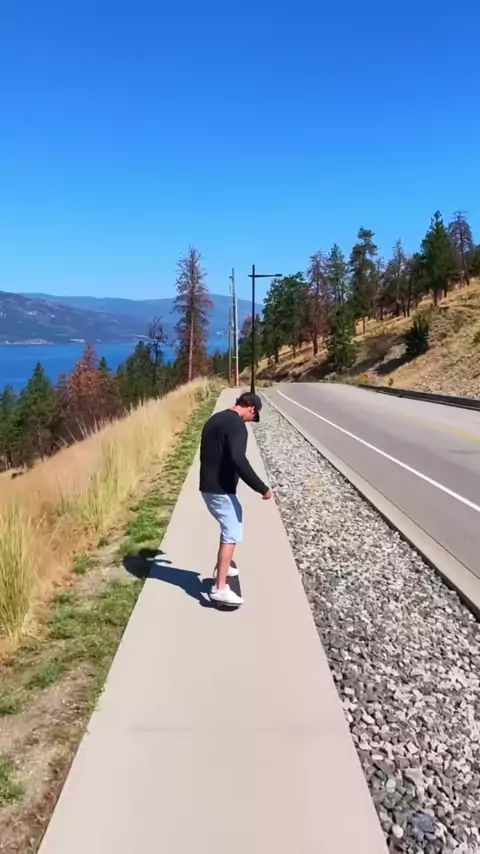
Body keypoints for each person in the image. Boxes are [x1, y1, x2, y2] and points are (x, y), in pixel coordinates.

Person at [199, 391, 273, 606]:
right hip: (219, 489)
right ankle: (220, 588)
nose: (251, 421)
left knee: (234, 519)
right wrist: (262, 488)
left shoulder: (217, 418)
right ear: (251, 408)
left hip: (210, 485)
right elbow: (239, 459)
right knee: (231, 531)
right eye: (253, 417)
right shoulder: (237, 425)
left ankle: (224, 565)